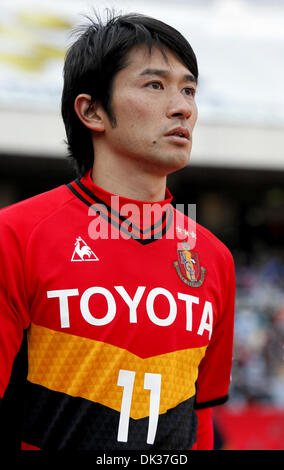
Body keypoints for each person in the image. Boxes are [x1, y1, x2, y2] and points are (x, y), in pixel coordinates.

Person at [0, 12, 235, 451]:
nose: (183, 105)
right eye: (155, 85)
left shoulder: (215, 258)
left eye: (188, 89)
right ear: (91, 110)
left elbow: (200, 420)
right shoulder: (17, 236)